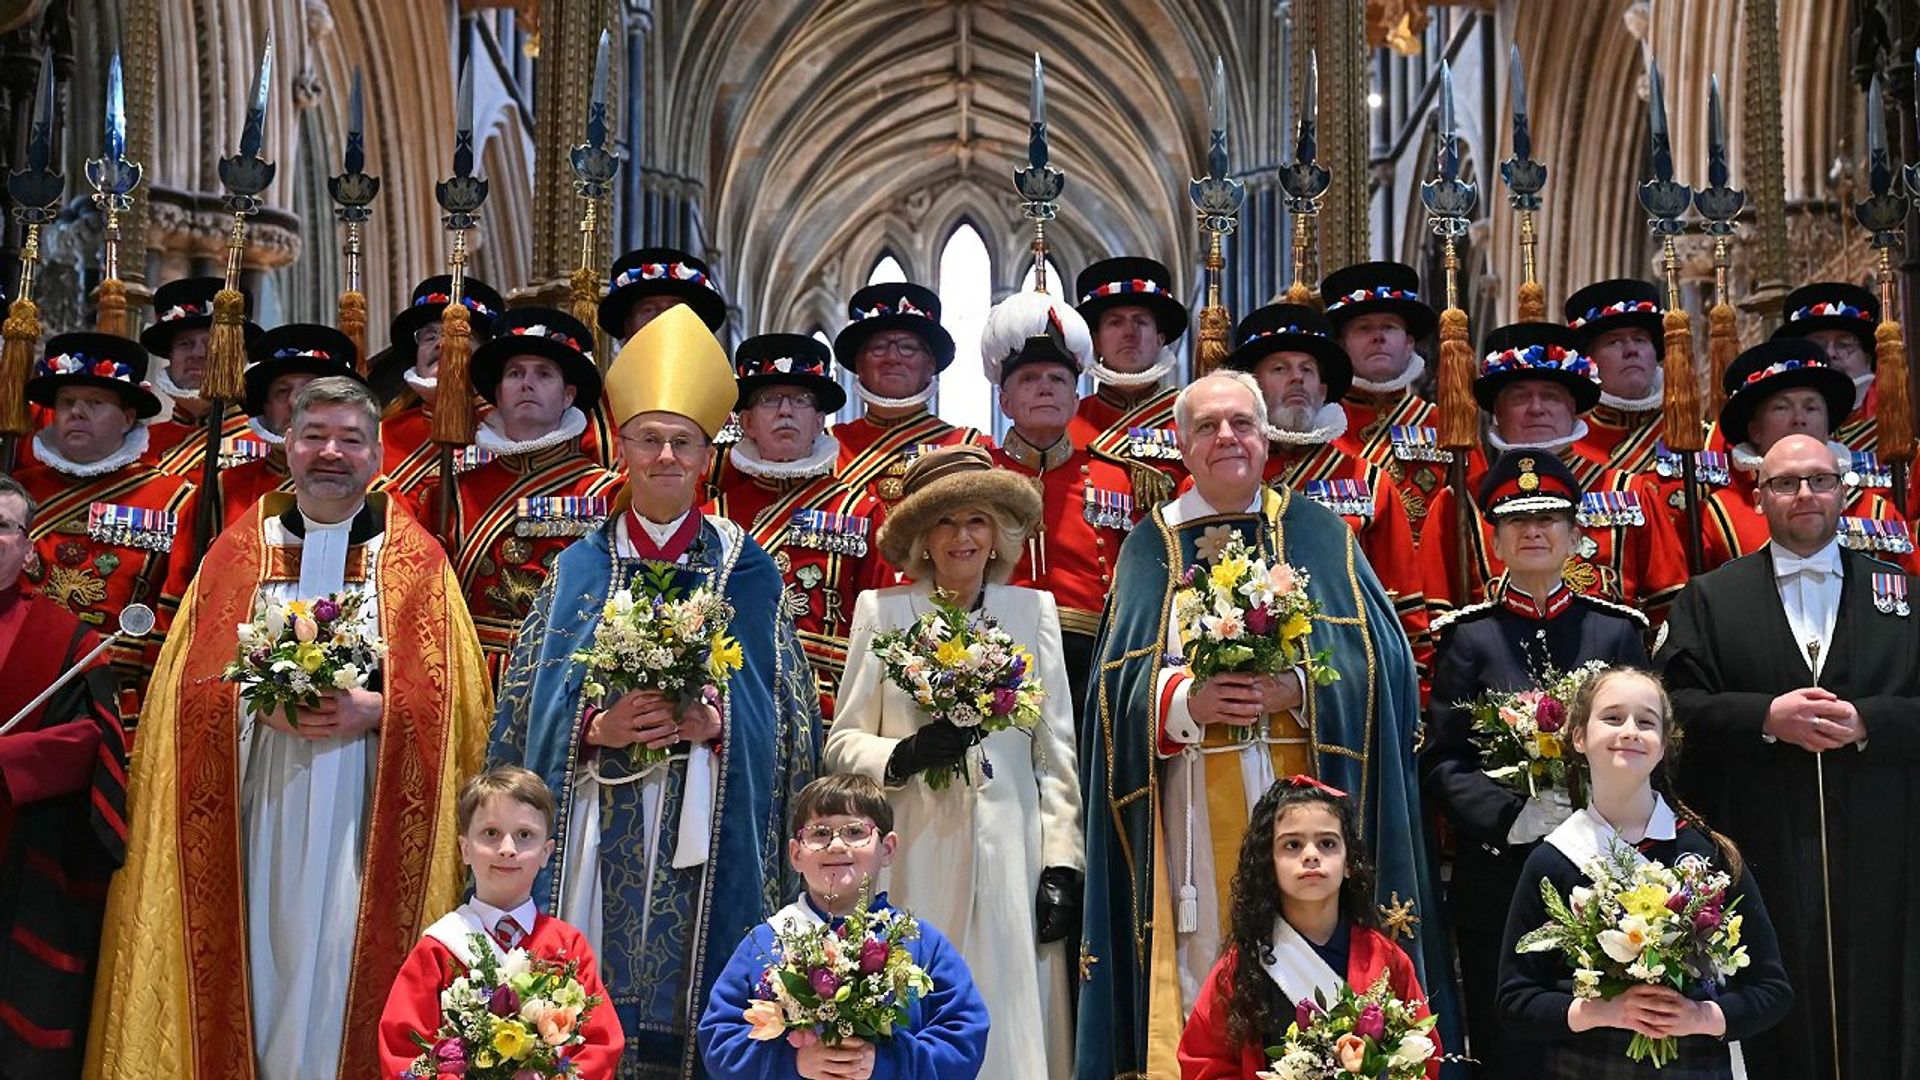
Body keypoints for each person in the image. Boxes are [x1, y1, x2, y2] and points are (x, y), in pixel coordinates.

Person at [85, 375, 491, 1079]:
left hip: (364, 813)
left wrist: (378, 710)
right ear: (287, 446)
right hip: (256, 806)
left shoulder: (417, 566)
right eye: (314, 436)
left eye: (350, 439)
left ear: (378, 459)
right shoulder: (237, 556)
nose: (330, 452)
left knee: (340, 953)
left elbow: (459, 708)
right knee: (258, 955)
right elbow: (184, 695)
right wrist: (251, 701)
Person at [1076, 370, 1448, 1080]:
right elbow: (1111, 690)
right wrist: (1182, 703)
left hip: (1303, 794)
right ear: (1181, 446)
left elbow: (1384, 665)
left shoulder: (1317, 531)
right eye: (1208, 427)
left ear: (1266, 437)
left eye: (1243, 424)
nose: (1227, 438)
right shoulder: (1149, 545)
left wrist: (1300, 687)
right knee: (1206, 959)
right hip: (1189, 806)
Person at [490, 304, 822, 1077]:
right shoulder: (578, 568)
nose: (666, 455)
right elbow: (524, 712)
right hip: (599, 812)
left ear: (709, 454)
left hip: (707, 813)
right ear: (624, 451)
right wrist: (594, 728)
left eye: (683, 441)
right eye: (650, 439)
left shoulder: (748, 568)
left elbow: (790, 716)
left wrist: (716, 722)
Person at [1657, 432, 1920, 1077]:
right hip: (1760, 839)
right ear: (1758, 496)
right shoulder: (1709, 598)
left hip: (1889, 848)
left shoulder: (1907, 597)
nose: (1805, 494)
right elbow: (1669, 704)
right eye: (1785, 482)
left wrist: (1868, 722)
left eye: (1819, 480)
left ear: (1844, 490)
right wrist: (1764, 718)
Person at [825, 444, 1083, 1078]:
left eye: (975, 519)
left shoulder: (1033, 612)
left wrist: (1062, 861)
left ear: (997, 532)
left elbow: (1054, 755)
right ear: (921, 537)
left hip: (1012, 856)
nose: (961, 536)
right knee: (916, 1014)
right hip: (914, 853)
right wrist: (904, 753)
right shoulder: (881, 612)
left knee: (1009, 1024)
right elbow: (841, 744)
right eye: (944, 522)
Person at [1421, 450, 1649, 1079]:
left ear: (1577, 536)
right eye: (1516, 521)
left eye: (1550, 518)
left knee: (1610, 1022)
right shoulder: (1468, 638)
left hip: (1610, 859)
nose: (1534, 531)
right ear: (1494, 541)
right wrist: (1510, 818)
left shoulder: (1618, 632)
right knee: (1511, 1033)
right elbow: (1443, 760)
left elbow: (1652, 743)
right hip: (1504, 868)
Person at [1497, 668, 1792, 1077]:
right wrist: (1606, 1011)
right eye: (1613, 718)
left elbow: (1772, 991)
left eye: (1647, 721)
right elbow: (1516, 1002)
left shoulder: (1709, 854)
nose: (1631, 731)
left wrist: (1701, 1017)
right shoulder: (1553, 861)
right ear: (1578, 736)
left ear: (1665, 744)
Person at [699, 773, 991, 1079]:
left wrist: (886, 1064)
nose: (836, 845)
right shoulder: (766, 942)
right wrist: (792, 1062)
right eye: (820, 833)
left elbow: (964, 1038)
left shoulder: (923, 944)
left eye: (855, 831)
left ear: (888, 849)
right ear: (796, 854)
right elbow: (720, 1038)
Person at [1177, 778, 1442, 1079]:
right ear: (1269, 863)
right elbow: (1203, 1064)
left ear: (1348, 864)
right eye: (1292, 845)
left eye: (1327, 843)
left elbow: (1425, 1060)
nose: (1311, 855)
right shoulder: (1241, 968)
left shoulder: (1386, 959)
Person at [1420, 322, 1685, 622]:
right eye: (1520, 397)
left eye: (1550, 396)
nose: (1536, 409)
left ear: (1573, 406)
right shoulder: (1458, 504)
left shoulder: (1631, 492)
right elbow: (1436, 619)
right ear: (1497, 410)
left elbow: (1668, 606)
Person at [409, 308, 623, 679]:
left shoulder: (608, 492)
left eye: (544, 374)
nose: (527, 383)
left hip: (563, 676)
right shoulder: (451, 491)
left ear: (568, 394)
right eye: (515, 373)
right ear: (497, 393)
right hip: (469, 675)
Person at [1219, 301, 1428, 678]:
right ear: (1250, 389)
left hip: (1346, 674)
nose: (1297, 379)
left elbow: (1403, 606)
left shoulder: (1369, 481)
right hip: (1239, 674)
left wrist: (1415, 696)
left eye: (1308, 370)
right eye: (1280, 369)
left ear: (1324, 389)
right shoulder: (1218, 477)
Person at [0, 474, 128, 1077]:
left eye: (2, 526)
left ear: (30, 549)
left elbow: (96, 741)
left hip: (22, 855)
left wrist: (9, 763)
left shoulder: (68, 639)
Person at [378, 765, 625, 1078]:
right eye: (491, 834)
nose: (507, 849)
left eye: (524, 835)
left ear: (546, 852)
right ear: (465, 848)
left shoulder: (567, 946)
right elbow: (404, 1051)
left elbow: (600, 1045)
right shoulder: (438, 949)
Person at [13, 332, 199, 722]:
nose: (77, 413)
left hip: (112, 700)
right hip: (15, 684)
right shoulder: (17, 490)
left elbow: (174, 612)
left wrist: (154, 709)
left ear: (129, 417)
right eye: (67, 402)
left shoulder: (174, 498)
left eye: (95, 403)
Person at [980, 290, 1141, 734]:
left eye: (1057, 378)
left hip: (1093, 665)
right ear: (1005, 402)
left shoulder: (1120, 478)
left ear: (1075, 399)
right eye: (1029, 378)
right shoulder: (976, 475)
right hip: (992, 657)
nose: (1046, 386)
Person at [708, 332, 888, 720]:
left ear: (820, 421)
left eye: (801, 400)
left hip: (829, 709)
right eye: (770, 400)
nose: (786, 411)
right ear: (748, 422)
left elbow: (884, 626)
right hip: (727, 707)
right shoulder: (711, 516)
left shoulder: (862, 511)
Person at [1652, 339, 1916, 573]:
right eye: (1782, 408)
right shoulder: (1714, 516)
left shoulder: (1876, 510)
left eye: (1811, 407)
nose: (1799, 419)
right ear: (1755, 430)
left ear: (1828, 425)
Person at [830, 283, 992, 520]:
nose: (893, 357)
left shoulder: (970, 447)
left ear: (930, 367)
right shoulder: (825, 448)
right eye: (878, 347)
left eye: (907, 347)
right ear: (859, 366)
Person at [1321, 261, 1447, 540]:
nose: (1378, 337)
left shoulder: (1444, 425)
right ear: (1342, 345)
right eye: (1364, 328)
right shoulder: (1319, 426)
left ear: (1409, 343)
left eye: (1389, 327)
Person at [1066, 256, 1191, 509]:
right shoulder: (1068, 421)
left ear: (1159, 338)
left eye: (1140, 321)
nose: (1129, 333)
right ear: (1096, 341)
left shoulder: (1193, 415)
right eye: (1115, 322)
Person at [219, 323, 368, 524]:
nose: (295, 402)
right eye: (282, 391)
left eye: (310, 391)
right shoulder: (224, 491)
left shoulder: (375, 493)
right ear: (265, 407)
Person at [375, 274, 507, 493]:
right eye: (429, 336)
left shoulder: (514, 429)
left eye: (458, 336)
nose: (441, 344)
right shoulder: (380, 435)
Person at [138, 276, 262, 476]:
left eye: (212, 344)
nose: (197, 353)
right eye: (185, 344)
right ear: (170, 356)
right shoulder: (138, 445)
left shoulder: (273, 448)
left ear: (241, 355)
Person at [1564, 279, 1666, 475]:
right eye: (1614, 342)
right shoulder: (1565, 447)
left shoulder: (1698, 436)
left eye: (1640, 339)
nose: (1631, 350)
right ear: (1589, 361)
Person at [1769, 281, 1878, 454]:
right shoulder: (1777, 422)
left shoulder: (1896, 418)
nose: (1831, 354)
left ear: (1868, 356)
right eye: (1817, 346)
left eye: (1844, 344)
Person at [599, 246, 730, 341]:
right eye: (648, 310)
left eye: (675, 310)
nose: (662, 318)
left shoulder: (716, 380)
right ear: (627, 324)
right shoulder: (611, 379)